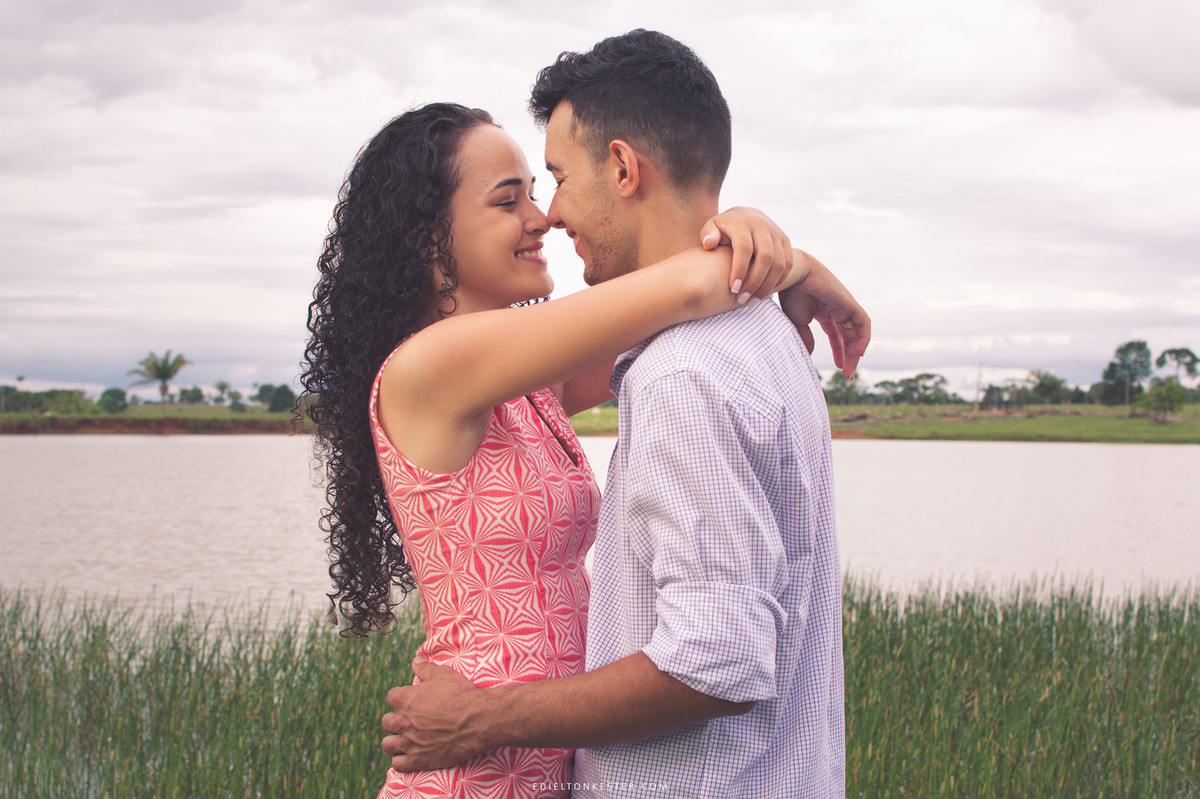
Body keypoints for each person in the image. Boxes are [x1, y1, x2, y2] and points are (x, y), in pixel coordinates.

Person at [299, 100, 868, 798]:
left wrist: (757, 242)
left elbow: (678, 299)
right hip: (470, 773)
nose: (542, 219)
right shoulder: (432, 366)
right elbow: (691, 284)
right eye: (509, 201)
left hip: (533, 756)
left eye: (536, 193)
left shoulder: (525, 386)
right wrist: (793, 261)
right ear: (428, 239)